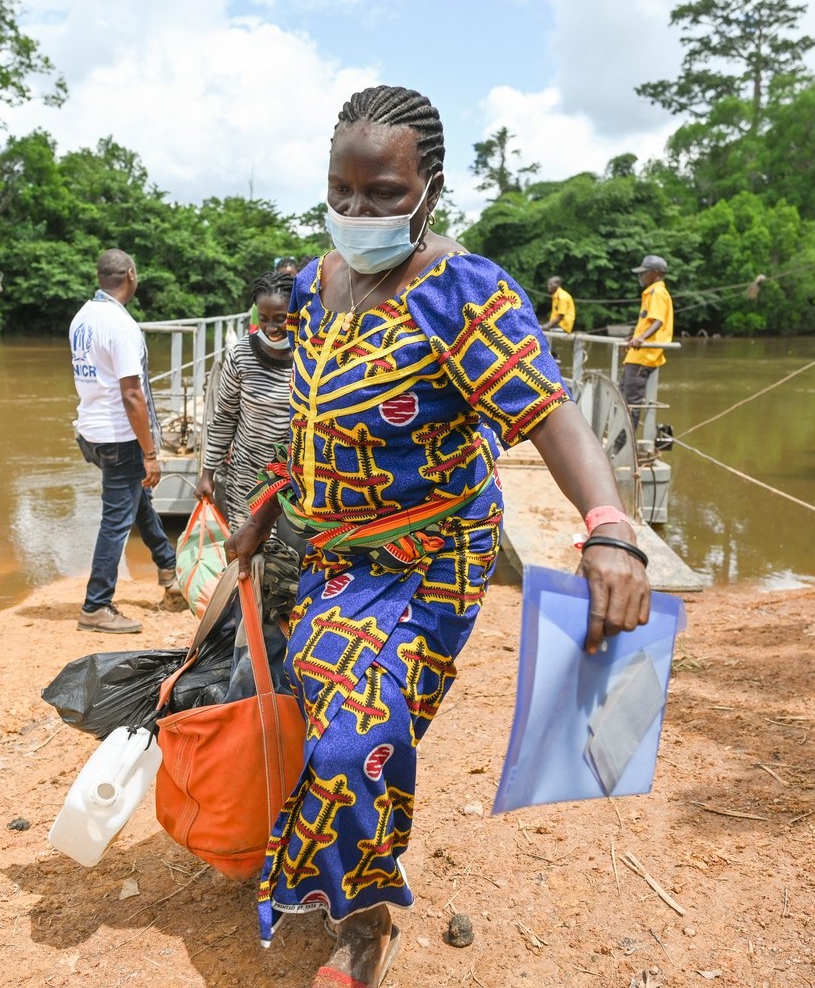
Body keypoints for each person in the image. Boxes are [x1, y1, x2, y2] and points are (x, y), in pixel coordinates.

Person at [224, 85, 651, 988]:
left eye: (382, 193)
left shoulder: (465, 293)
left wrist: (609, 527)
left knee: (356, 738)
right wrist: (270, 499)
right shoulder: (312, 284)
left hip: (430, 562)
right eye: (341, 190)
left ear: (431, 188)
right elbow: (310, 415)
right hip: (332, 558)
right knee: (332, 720)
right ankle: (360, 884)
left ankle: (364, 926)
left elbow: (551, 413)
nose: (355, 212)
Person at [70, 249, 177, 634]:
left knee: (137, 500)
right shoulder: (121, 324)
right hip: (120, 436)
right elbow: (133, 394)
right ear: (131, 275)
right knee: (116, 521)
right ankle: (96, 606)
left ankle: (168, 568)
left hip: (91, 432)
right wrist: (150, 453)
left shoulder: (83, 317)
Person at [196, 270, 296, 531]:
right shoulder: (241, 355)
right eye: (263, 319)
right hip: (247, 476)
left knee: (289, 559)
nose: (272, 328)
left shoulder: (309, 356)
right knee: (247, 554)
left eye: (281, 319)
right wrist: (207, 473)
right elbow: (225, 417)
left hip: (295, 480)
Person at [619, 254, 674, 442]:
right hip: (637, 356)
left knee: (631, 403)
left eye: (645, 272)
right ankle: (620, 439)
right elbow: (648, 322)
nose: (641, 276)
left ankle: (624, 445)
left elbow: (657, 321)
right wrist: (634, 337)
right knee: (622, 396)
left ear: (656, 273)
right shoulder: (652, 292)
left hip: (645, 356)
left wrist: (641, 338)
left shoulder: (657, 292)